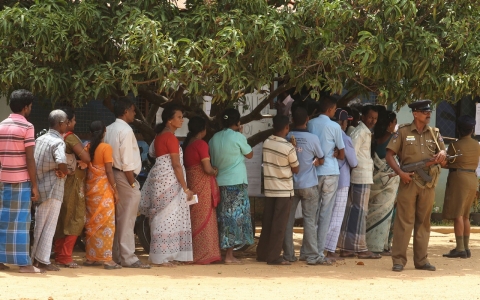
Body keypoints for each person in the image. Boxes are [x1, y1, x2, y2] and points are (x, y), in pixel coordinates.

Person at [385, 100, 446, 272]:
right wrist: (400, 173)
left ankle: (421, 260)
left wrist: (443, 153)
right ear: (415, 113)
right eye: (424, 111)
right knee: (404, 222)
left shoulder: (435, 133)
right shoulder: (403, 132)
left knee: (424, 223)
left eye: (429, 112)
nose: (428, 114)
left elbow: (445, 159)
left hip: (427, 184)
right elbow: (389, 155)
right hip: (409, 181)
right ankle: (398, 260)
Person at [139, 104, 193, 266]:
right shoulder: (170, 137)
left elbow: (153, 156)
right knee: (167, 217)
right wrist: (185, 188)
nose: (182, 120)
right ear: (170, 120)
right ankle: (161, 257)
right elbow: (176, 165)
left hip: (160, 178)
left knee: (162, 216)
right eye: (179, 117)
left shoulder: (158, 137)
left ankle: (165, 256)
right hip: (170, 180)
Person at [0, 89, 43, 273]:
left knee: (3, 222)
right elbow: (30, 159)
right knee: (21, 223)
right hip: (21, 181)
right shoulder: (27, 127)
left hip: (3, 181)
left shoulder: (1, 125)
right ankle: (24, 264)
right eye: (30, 107)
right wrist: (34, 185)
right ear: (25, 107)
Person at [104, 98, 150, 269]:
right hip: (124, 176)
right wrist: (132, 184)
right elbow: (127, 161)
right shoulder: (126, 130)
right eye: (132, 110)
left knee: (117, 218)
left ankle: (116, 255)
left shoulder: (108, 129)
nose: (135, 113)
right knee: (127, 219)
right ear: (125, 111)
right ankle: (128, 257)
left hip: (111, 174)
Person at [209, 108, 254, 264]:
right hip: (236, 183)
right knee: (234, 220)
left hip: (219, 183)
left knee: (223, 218)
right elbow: (250, 154)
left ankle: (220, 253)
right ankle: (229, 255)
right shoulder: (237, 137)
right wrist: (240, 134)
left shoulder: (214, 138)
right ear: (237, 122)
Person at [283, 107, 324, 265]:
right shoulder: (313, 138)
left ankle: (288, 254)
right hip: (309, 184)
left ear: (292, 120)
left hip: (291, 185)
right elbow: (321, 159)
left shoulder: (288, 136)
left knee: (289, 220)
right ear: (307, 119)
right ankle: (312, 255)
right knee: (309, 220)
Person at [338, 105, 380, 259]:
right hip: (360, 177)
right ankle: (360, 248)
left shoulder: (365, 132)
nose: (373, 121)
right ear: (363, 117)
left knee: (354, 212)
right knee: (360, 213)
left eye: (375, 118)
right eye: (370, 117)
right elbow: (351, 154)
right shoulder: (361, 132)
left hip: (361, 176)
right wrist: (355, 167)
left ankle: (347, 247)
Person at [307, 96, 345, 265]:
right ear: (330, 110)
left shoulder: (311, 124)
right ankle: (319, 253)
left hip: (313, 171)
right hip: (330, 170)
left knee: (312, 213)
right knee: (325, 214)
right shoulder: (334, 126)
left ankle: (309, 251)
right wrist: (335, 153)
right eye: (335, 109)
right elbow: (342, 153)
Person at [257, 115, 299, 265]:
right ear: (286, 128)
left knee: (267, 222)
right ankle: (274, 256)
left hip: (270, 188)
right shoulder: (288, 147)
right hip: (284, 190)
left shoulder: (267, 142)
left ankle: (262, 252)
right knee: (279, 225)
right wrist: (293, 148)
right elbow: (296, 169)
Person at [32, 110, 69, 271]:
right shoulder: (58, 142)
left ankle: (35, 258)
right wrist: (64, 171)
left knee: (39, 225)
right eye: (66, 122)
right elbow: (61, 161)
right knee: (49, 226)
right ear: (60, 123)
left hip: (39, 187)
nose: (67, 125)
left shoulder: (39, 139)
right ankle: (44, 260)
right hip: (54, 188)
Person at [53, 107, 91, 268]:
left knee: (63, 218)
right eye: (74, 120)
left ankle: (59, 253)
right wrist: (85, 152)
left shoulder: (56, 137)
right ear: (66, 122)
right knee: (75, 217)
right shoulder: (70, 138)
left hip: (62, 182)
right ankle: (65, 256)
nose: (75, 123)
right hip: (74, 183)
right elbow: (86, 157)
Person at [183, 116, 221, 265]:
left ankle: (194, 252)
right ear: (203, 130)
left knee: (194, 217)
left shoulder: (188, 144)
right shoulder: (201, 144)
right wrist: (215, 171)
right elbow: (207, 168)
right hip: (202, 185)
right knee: (206, 217)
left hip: (192, 183)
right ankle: (205, 254)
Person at [84, 121, 121, 269]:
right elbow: (109, 171)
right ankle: (107, 259)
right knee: (106, 224)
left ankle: (91, 257)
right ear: (104, 131)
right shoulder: (106, 147)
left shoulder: (87, 147)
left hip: (90, 190)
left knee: (92, 223)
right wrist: (115, 189)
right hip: (104, 190)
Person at [441, 116, 480, 259]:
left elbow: (445, 163)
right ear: (471, 130)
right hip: (472, 179)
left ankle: (460, 248)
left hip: (459, 179)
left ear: (458, 129)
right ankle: (466, 247)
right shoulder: (477, 145)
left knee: (457, 214)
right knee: (465, 215)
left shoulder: (455, 146)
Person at [324, 109, 358, 260]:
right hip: (342, 180)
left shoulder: (325, 135)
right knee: (336, 217)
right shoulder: (344, 138)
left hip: (325, 177)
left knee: (324, 214)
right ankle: (330, 250)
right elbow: (354, 162)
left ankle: (319, 247)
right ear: (343, 123)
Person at [365, 110, 400, 255]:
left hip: (373, 180)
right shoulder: (393, 139)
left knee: (371, 212)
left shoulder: (373, 138)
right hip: (388, 183)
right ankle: (382, 245)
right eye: (395, 122)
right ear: (390, 124)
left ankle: (367, 243)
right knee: (386, 213)